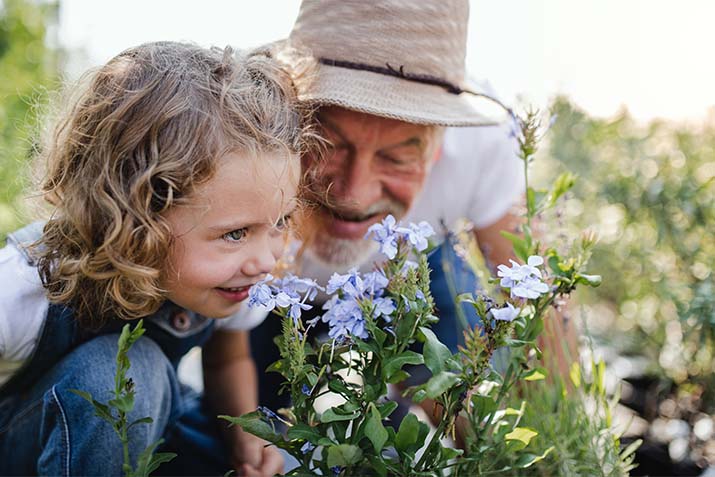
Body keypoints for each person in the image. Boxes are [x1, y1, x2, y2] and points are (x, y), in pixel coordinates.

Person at [0, 41, 310, 476]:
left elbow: (228, 356)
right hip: (28, 445)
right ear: (138, 216)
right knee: (120, 375)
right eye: (236, 233)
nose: (265, 260)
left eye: (279, 221)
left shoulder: (228, 280)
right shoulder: (25, 288)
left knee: (302, 459)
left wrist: (247, 442)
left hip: (156, 422)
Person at [251, 0, 533, 416]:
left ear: (438, 146)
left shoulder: (484, 142)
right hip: (270, 288)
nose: (355, 194)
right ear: (288, 113)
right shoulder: (241, 125)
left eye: (396, 157)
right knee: (258, 429)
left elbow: (533, 295)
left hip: (407, 275)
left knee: (463, 407)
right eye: (326, 144)